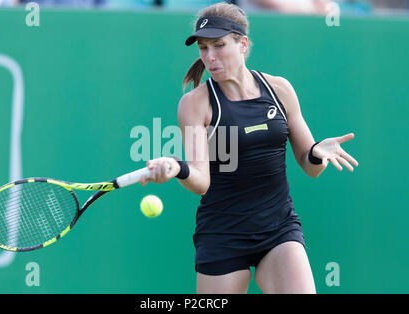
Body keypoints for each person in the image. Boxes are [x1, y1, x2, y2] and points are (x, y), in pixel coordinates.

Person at [139, 2, 359, 294]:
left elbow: (309, 165)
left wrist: (318, 152)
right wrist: (177, 167)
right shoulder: (195, 104)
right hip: (223, 234)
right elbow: (202, 181)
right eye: (203, 48)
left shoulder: (279, 90)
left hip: (279, 229)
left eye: (219, 46)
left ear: (242, 44)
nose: (210, 57)